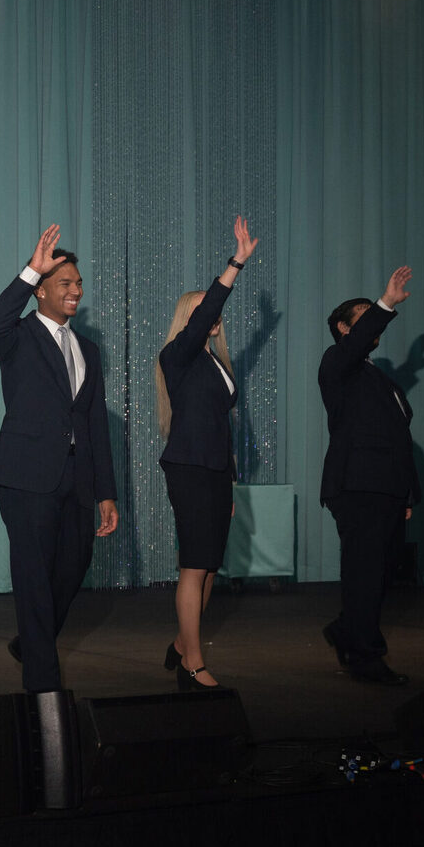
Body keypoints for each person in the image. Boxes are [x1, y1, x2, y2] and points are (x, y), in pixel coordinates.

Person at [0, 224, 118, 693]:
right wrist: (29, 270)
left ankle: (31, 643)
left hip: (76, 480)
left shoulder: (88, 349)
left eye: (78, 282)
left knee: (73, 569)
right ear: (40, 291)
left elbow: (95, 423)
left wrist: (105, 492)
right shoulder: (17, 336)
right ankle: (43, 687)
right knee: (34, 581)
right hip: (26, 479)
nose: (75, 290)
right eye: (64, 283)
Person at [155, 215, 258, 690]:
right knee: (194, 566)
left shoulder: (216, 364)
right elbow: (207, 309)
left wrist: (230, 481)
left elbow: (222, 428)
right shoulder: (176, 356)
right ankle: (193, 665)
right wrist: (236, 263)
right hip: (189, 470)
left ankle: (182, 644)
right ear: (188, 319)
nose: (212, 316)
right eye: (202, 311)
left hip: (216, 472)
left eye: (213, 313)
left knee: (211, 567)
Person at [317, 265, 419, 686]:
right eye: (362, 317)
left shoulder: (379, 377)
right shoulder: (337, 363)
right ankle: (365, 655)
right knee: (365, 571)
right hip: (357, 484)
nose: (370, 324)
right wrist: (386, 303)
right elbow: (356, 344)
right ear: (344, 329)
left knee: (381, 572)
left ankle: (347, 630)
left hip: (387, 488)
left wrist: (407, 494)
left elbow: (397, 437)